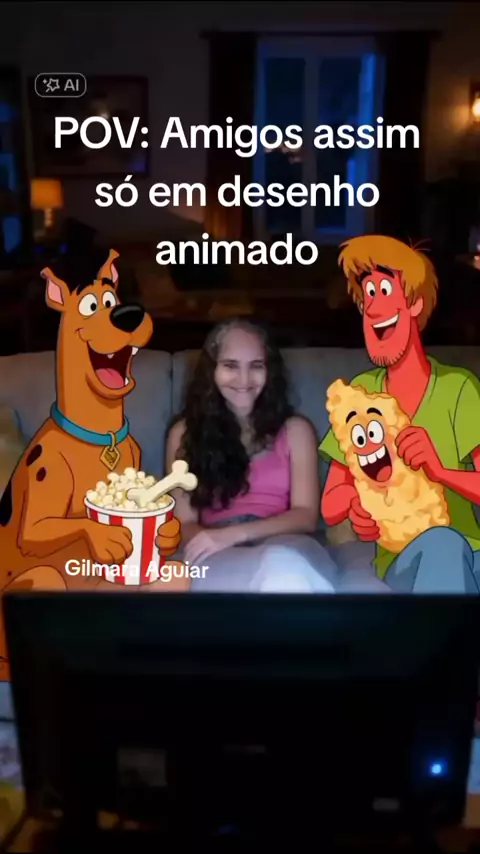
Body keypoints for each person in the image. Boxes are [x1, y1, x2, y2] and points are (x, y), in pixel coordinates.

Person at [319, 234, 480, 594]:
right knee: (442, 543)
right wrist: (355, 504)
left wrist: (441, 472)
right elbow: (330, 503)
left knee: (453, 547)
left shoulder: (459, 388)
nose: (373, 308)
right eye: (368, 295)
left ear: (415, 304)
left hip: (474, 552)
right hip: (405, 558)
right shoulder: (360, 394)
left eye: (384, 291)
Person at [166, 318, 337, 592]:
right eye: (230, 366)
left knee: (282, 564)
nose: (244, 380)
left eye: (256, 366)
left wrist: (234, 535)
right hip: (216, 548)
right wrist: (215, 540)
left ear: (269, 371)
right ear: (211, 370)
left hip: (286, 540)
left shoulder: (296, 430)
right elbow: (183, 523)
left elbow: (305, 516)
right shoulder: (183, 434)